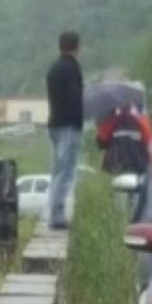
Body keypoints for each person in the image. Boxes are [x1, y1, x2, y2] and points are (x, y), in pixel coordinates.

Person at [46, 31, 83, 230]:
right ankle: (56, 215)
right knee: (66, 171)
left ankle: (52, 211)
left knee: (57, 170)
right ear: (77, 47)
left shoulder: (54, 69)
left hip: (54, 123)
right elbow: (74, 98)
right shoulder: (71, 69)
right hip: (68, 125)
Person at [96, 104, 152, 175]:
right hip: (139, 165)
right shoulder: (142, 120)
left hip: (114, 165)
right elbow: (149, 141)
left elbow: (101, 141)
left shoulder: (112, 120)